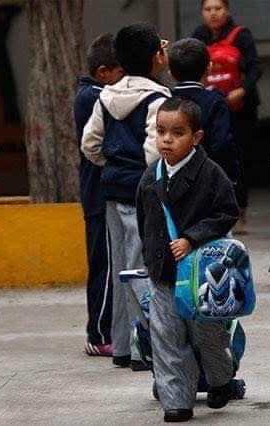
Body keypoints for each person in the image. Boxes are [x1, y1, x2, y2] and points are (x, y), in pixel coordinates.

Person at [136, 96, 239, 422]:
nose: (167, 139)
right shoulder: (151, 177)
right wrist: (150, 256)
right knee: (166, 336)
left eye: (177, 132)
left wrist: (192, 238)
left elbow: (227, 213)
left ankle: (221, 379)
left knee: (206, 335)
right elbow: (145, 221)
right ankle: (177, 401)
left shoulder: (211, 174)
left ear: (197, 137)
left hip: (201, 276)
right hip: (164, 273)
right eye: (161, 131)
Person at [81, 23, 170, 370]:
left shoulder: (105, 96)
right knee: (141, 270)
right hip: (141, 195)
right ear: (156, 58)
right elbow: (154, 153)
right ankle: (139, 349)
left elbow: (90, 144)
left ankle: (120, 345)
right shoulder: (157, 99)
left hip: (111, 191)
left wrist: (112, 166)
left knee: (120, 267)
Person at [192, 0, 262, 233]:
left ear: (227, 10)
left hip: (240, 108)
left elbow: (255, 68)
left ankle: (240, 212)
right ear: (202, 12)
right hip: (210, 108)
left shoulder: (242, 35)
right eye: (208, 9)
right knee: (210, 157)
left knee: (240, 159)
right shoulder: (198, 36)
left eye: (218, 8)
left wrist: (241, 91)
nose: (213, 13)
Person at [73, 33, 124, 357]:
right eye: (122, 72)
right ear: (103, 72)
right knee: (104, 265)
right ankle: (99, 333)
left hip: (104, 191)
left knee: (112, 262)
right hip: (99, 194)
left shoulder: (100, 93)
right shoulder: (93, 97)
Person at [167, 37, 239, 183]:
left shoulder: (165, 100)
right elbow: (222, 143)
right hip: (207, 178)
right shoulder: (215, 101)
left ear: (171, 74)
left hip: (171, 176)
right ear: (209, 68)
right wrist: (230, 174)